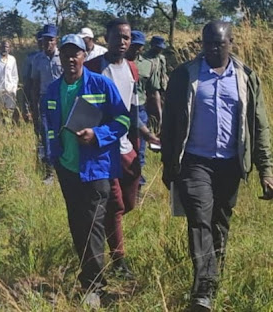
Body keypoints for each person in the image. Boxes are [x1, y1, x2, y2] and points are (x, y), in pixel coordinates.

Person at [161, 21, 273, 311]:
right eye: (207, 43)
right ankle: (202, 291)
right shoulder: (184, 76)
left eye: (218, 43)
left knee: (219, 223)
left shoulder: (246, 77)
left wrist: (266, 170)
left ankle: (212, 279)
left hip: (230, 165)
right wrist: (167, 163)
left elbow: (259, 127)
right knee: (199, 219)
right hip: (194, 162)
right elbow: (170, 122)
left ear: (231, 43)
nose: (211, 48)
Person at [41, 34, 130, 309]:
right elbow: (46, 124)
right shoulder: (53, 90)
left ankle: (93, 286)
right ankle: (89, 273)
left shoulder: (101, 84)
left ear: (84, 57)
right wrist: (50, 156)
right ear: (60, 57)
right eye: (65, 54)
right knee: (78, 224)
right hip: (68, 167)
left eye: (75, 54)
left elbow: (124, 119)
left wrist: (98, 134)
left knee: (93, 225)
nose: (70, 59)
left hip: (96, 169)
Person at [85, 18, 160, 279]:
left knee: (129, 202)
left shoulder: (132, 69)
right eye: (117, 37)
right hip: (103, 149)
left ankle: (104, 226)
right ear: (106, 38)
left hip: (127, 146)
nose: (122, 42)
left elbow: (131, 111)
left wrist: (149, 135)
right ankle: (119, 262)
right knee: (115, 205)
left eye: (126, 37)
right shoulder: (93, 68)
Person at [125, 30, 162, 169]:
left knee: (139, 151)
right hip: (119, 109)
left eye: (138, 46)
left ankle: (137, 186)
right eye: (133, 45)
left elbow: (153, 91)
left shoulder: (147, 64)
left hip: (139, 109)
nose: (135, 49)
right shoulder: (117, 63)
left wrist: (160, 115)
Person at [30, 24, 62, 183]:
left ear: (56, 40)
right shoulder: (37, 59)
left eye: (51, 40)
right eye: (45, 40)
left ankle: (62, 167)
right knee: (46, 133)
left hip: (61, 100)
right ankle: (49, 171)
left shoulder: (62, 57)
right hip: (44, 100)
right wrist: (34, 106)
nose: (47, 43)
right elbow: (35, 84)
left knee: (62, 132)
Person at [0, 40, 19, 125]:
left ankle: (8, 130)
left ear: (9, 49)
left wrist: (14, 89)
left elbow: (14, 76)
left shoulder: (12, 60)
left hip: (9, 92)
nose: (4, 49)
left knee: (9, 114)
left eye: (7, 47)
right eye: (3, 47)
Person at [21, 31, 43, 124]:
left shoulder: (58, 57)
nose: (42, 44)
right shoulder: (31, 58)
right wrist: (25, 107)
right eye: (40, 41)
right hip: (36, 94)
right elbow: (27, 83)